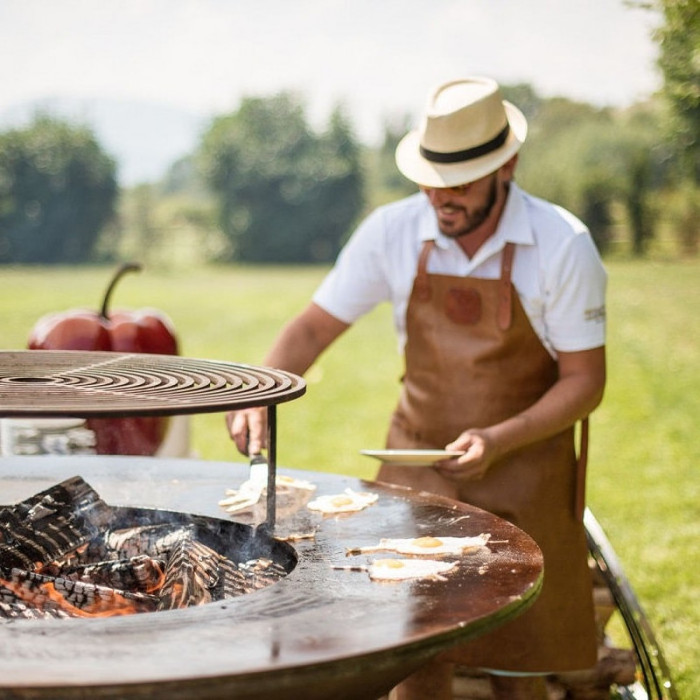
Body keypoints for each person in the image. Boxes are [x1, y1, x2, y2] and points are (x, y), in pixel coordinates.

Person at [226, 76, 607, 700]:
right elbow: (314, 326)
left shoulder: (562, 245)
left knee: (518, 662)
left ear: (506, 167)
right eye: (431, 178)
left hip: (527, 470)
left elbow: (585, 382)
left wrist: (500, 439)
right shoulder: (392, 230)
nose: (440, 197)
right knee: (410, 651)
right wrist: (260, 391)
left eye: (460, 182)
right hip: (416, 471)